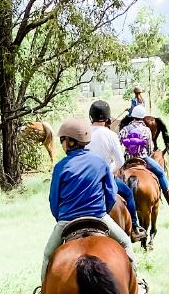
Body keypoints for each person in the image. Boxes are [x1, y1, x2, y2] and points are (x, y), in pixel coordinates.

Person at [40, 117, 135, 284]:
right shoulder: (100, 162)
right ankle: (137, 282)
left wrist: (61, 217)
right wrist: (101, 211)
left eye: (63, 140)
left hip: (67, 220)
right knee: (126, 242)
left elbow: (53, 200)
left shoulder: (61, 167)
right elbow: (111, 194)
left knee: (48, 255)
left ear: (68, 142)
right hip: (98, 217)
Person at [87, 100, 144, 239]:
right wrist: (108, 169)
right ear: (107, 118)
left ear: (90, 117)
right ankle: (135, 228)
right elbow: (120, 162)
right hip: (105, 178)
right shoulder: (111, 135)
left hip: (85, 178)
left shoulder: (84, 133)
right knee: (129, 194)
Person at [119, 116, 169, 206]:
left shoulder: (125, 129)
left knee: (115, 175)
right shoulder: (146, 130)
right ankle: (168, 196)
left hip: (127, 159)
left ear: (133, 117)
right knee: (161, 173)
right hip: (143, 158)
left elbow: (118, 143)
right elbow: (150, 149)